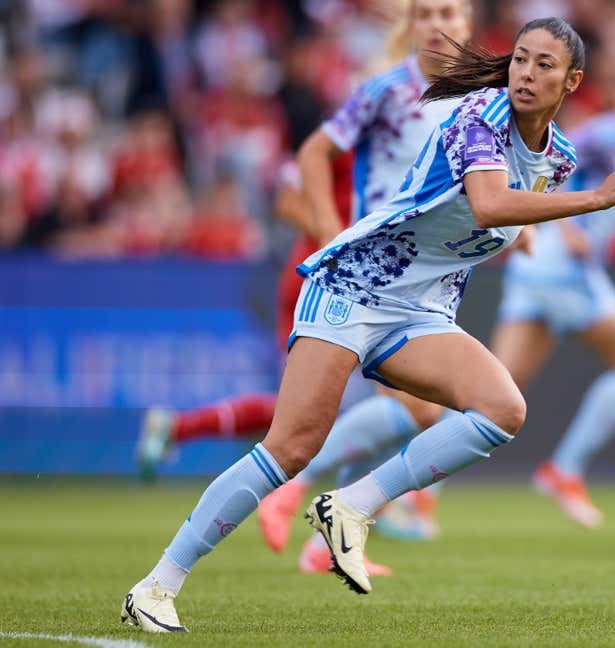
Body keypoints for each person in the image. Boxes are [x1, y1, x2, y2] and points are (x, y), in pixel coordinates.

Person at [121, 17, 615, 633]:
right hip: (354, 285)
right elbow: (487, 203)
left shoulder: (555, 159)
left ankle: (351, 506)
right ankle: (158, 584)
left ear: (572, 81)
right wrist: (592, 201)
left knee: (503, 408)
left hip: (419, 311)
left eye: (544, 65)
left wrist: (526, 232)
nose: (527, 75)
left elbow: (498, 214)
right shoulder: (480, 115)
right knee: (291, 446)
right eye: (521, 60)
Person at [130, 0, 471, 485]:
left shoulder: (417, 142)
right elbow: (287, 198)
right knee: (313, 411)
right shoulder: (358, 133)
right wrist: (335, 231)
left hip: (370, 279)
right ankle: (194, 435)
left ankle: (365, 498)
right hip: (322, 275)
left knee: (362, 405)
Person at [252, 0, 476, 571]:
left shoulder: (478, 102)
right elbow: (302, 165)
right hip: (375, 276)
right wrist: (332, 234)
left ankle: (327, 536)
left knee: (423, 411)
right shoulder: (385, 94)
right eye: (426, 14)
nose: (438, 24)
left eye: (449, 12)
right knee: (422, 411)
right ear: (413, 26)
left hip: (428, 280)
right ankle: (298, 490)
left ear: (468, 23)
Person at [489, 63, 615, 528]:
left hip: (535, 268)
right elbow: (547, 166)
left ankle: (415, 493)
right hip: (564, 269)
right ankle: (564, 470)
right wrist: (566, 225)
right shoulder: (608, 133)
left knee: (493, 392)